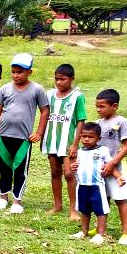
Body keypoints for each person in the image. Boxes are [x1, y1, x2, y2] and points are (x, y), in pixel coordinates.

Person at [0, 53, 49, 214]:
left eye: (20, 72)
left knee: (21, 169)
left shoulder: (37, 89)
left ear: (29, 72)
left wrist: (39, 132)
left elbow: (45, 111)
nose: (16, 75)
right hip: (3, 136)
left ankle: (17, 200)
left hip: (23, 138)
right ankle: (3, 197)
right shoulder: (4, 89)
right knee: (3, 167)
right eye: (14, 72)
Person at [42, 63, 86, 220]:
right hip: (52, 140)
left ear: (72, 79)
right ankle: (57, 205)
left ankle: (74, 209)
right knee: (55, 172)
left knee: (69, 174)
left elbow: (81, 121)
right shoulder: (49, 95)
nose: (59, 82)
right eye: (56, 79)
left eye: (63, 79)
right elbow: (44, 114)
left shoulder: (77, 97)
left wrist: (75, 143)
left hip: (68, 142)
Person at [69, 124, 120, 246]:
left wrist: (118, 177)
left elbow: (110, 165)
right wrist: (72, 167)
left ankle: (100, 234)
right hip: (82, 186)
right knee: (84, 210)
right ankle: (84, 231)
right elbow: (76, 166)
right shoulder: (80, 151)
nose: (86, 139)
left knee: (100, 211)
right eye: (84, 136)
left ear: (98, 138)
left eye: (90, 137)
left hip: (96, 186)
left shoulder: (102, 150)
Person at [95, 88, 127, 245]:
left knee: (120, 198)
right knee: (103, 198)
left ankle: (125, 233)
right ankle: (100, 228)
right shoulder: (97, 124)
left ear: (115, 106)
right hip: (101, 168)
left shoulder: (122, 122)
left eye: (102, 106)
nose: (98, 109)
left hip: (116, 167)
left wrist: (113, 162)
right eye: (97, 106)